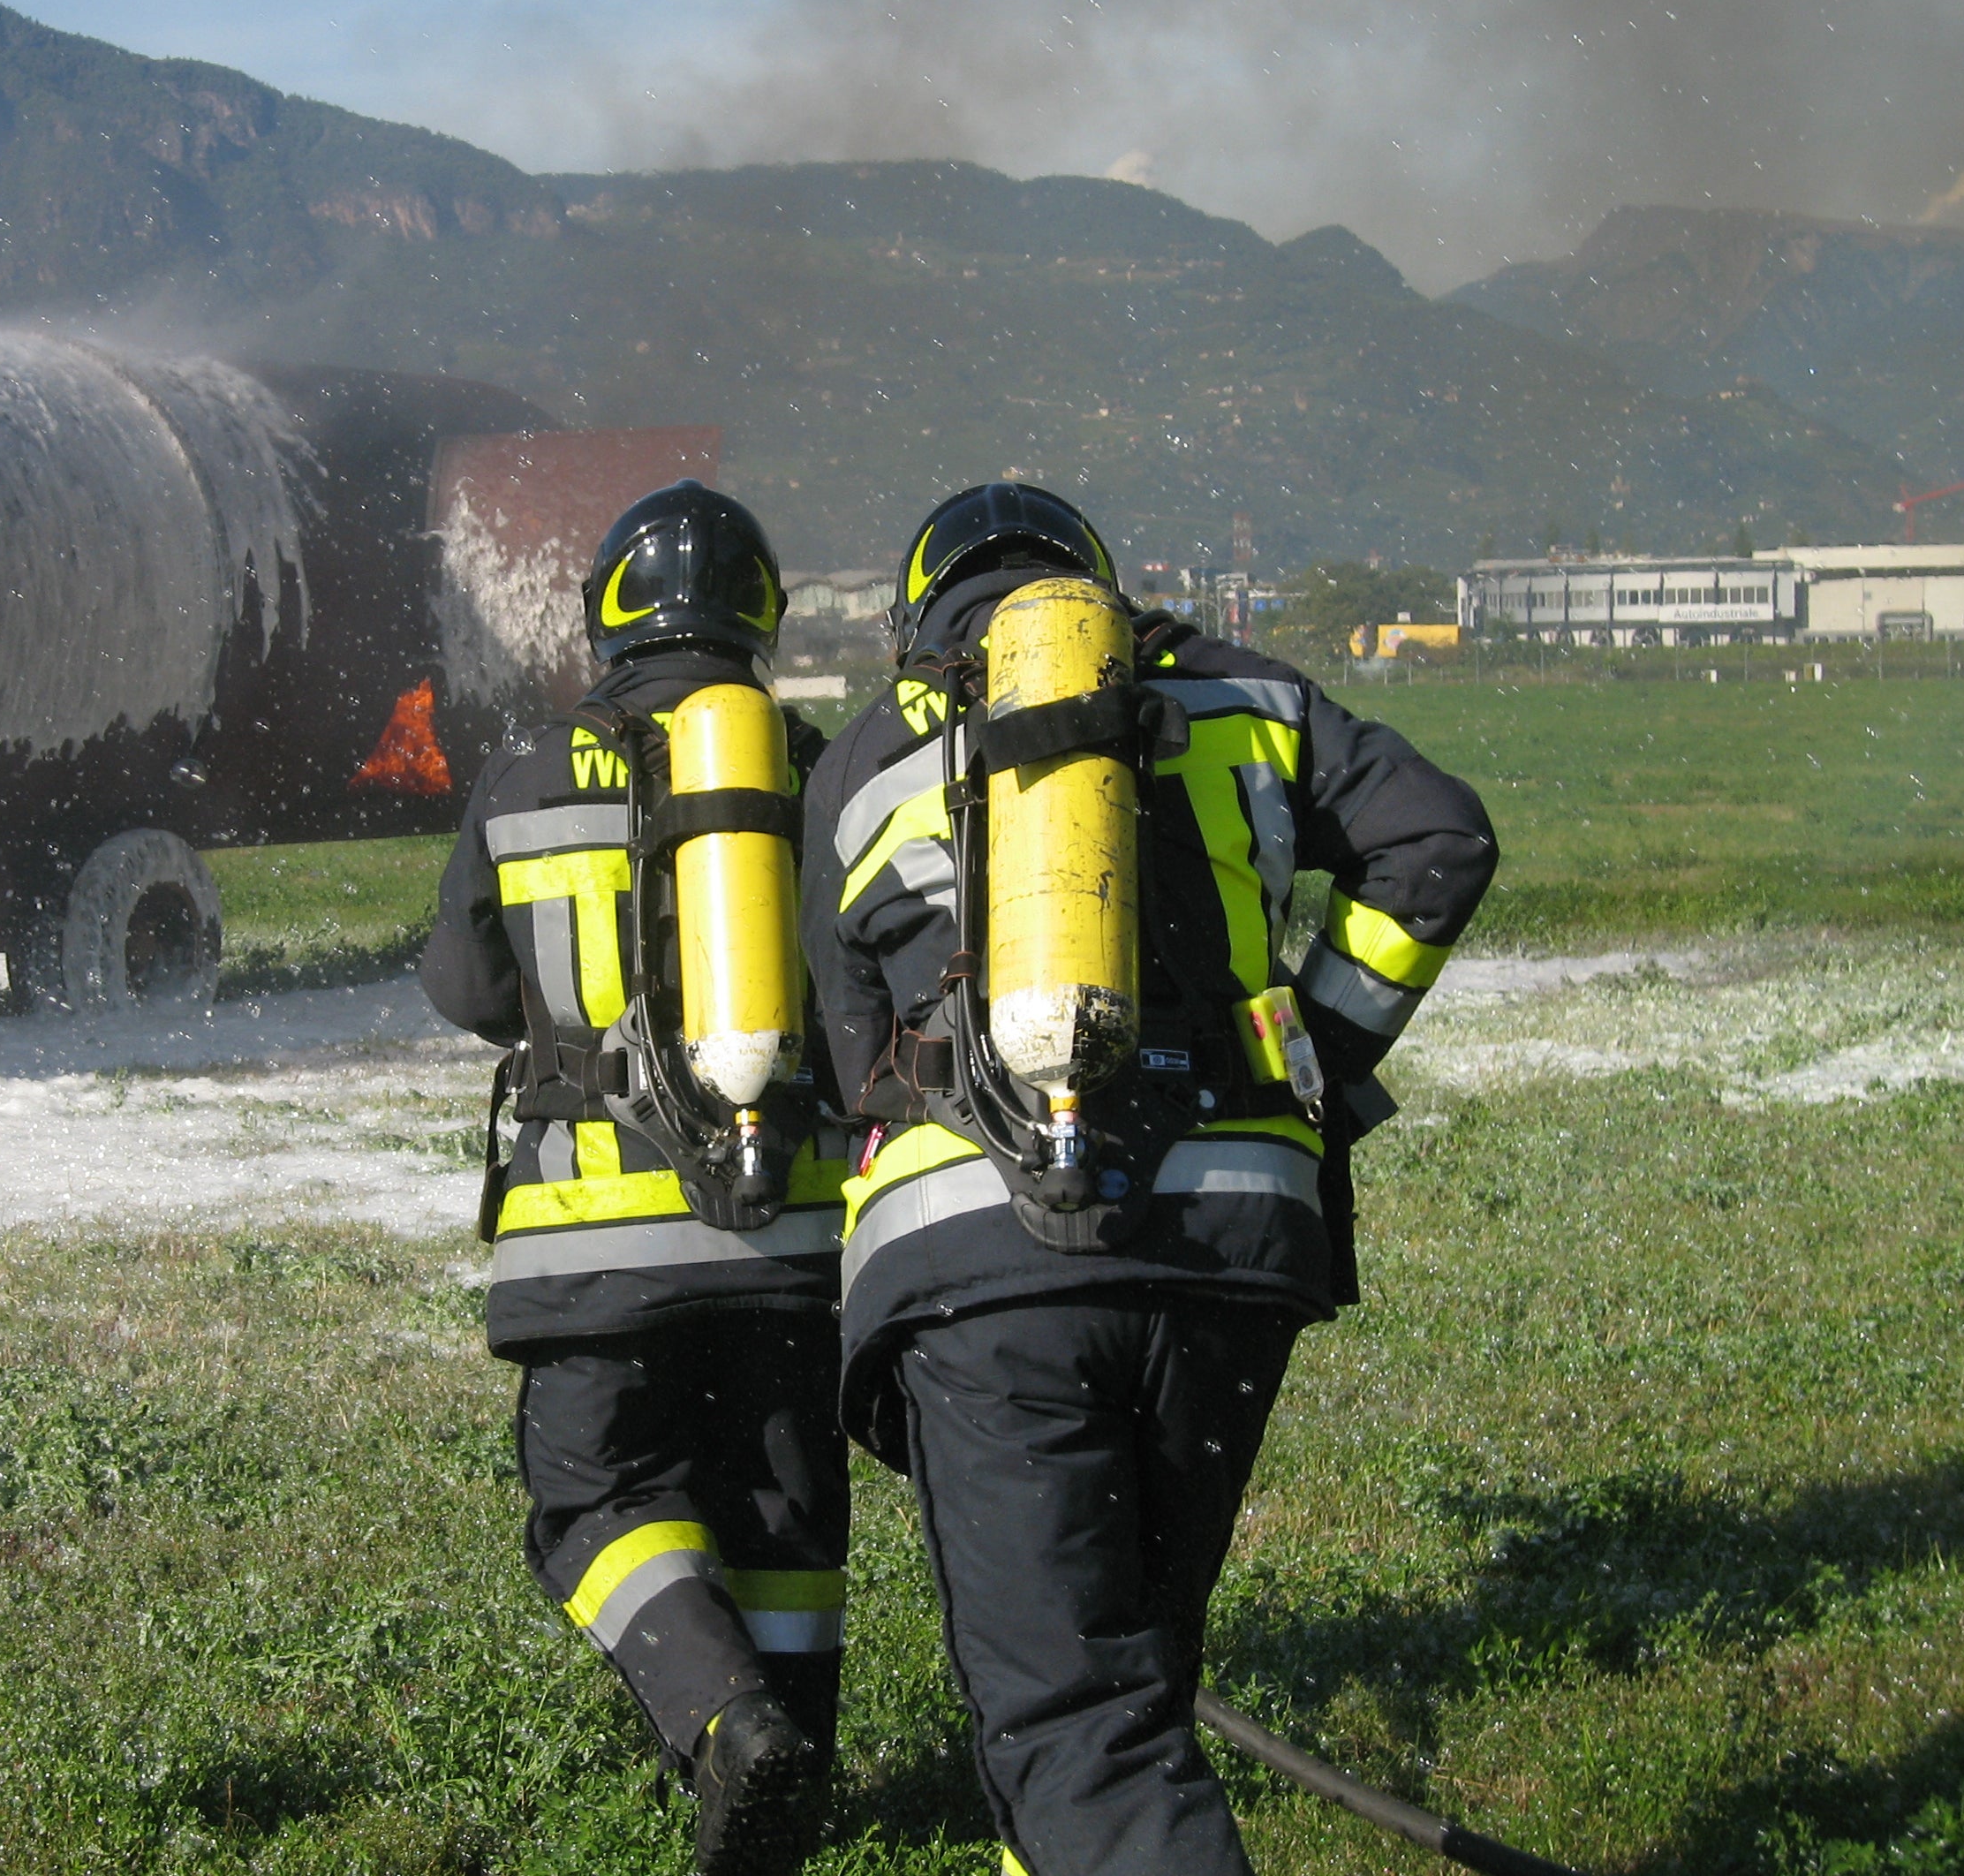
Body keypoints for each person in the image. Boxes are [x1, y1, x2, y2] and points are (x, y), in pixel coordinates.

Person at [802, 483, 1497, 1876]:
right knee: (1135, 1674)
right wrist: (1309, 1053)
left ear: (917, 620)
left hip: (986, 1279)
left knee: (1075, 1717)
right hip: (1231, 1250)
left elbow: (852, 1064)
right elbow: (1440, 843)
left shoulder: (867, 757)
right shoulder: (1246, 690)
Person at [421, 481, 852, 1875]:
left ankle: (728, 1726)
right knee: (781, 1505)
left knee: (593, 1494)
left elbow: (468, 986)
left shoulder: (529, 764)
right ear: (760, 615)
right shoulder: (804, 762)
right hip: (786, 1231)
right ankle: (797, 1768)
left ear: (609, 608)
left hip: (588, 1245)